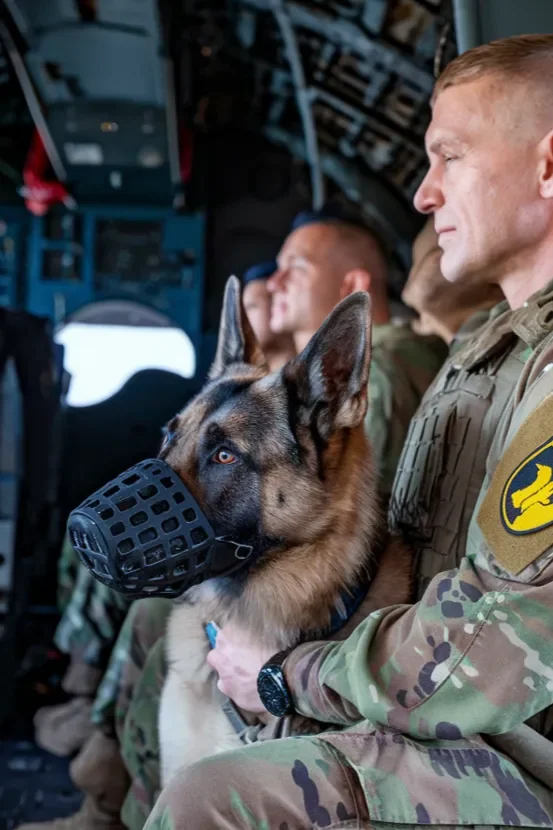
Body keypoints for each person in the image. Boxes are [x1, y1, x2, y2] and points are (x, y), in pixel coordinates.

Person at [139, 34, 553, 830]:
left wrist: (284, 675)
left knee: (211, 797)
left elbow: (486, 663)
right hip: (432, 712)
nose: (424, 196)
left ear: (544, 166)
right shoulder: (481, 351)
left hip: (514, 752)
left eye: (450, 157)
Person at [31, 259, 293, 761]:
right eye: (256, 302)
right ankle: (82, 696)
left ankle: (98, 738)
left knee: (151, 606)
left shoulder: (305, 415)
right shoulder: (232, 387)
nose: (273, 296)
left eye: (270, 298)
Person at [267, 211, 448, 499]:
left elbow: (360, 509)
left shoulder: (373, 373)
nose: (273, 283)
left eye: (297, 267)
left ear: (351, 288)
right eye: (279, 268)